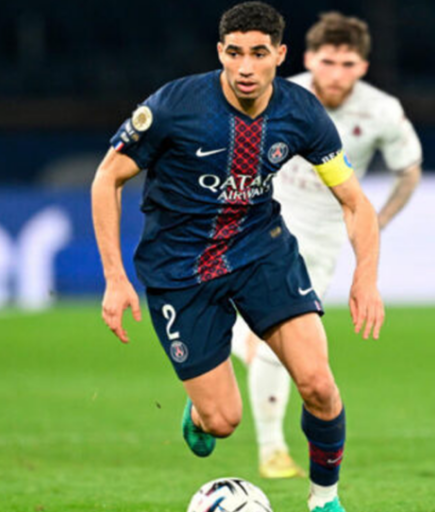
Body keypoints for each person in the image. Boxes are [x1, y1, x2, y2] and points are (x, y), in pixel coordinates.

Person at [91, 3, 384, 510]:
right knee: (223, 422)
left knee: (318, 384)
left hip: (260, 253)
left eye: (258, 54)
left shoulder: (301, 112)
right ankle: (200, 412)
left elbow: (355, 202)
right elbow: (107, 178)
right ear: (220, 52)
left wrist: (366, 278)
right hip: (180, 269)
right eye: (234, 53)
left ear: (281, 55)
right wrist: (115, 278)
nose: (245, 67)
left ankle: (325, 500)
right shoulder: (174, 106)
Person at [230, 12, 424, 479]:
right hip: (259, 225)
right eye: (328, 61)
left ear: (363, 67)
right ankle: (271, 449)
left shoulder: (382, 111)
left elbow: (409, 171)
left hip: (321, 240)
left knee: (273, 345)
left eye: (348, 64)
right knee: (272, 345)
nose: (336, 74)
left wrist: (377, 222)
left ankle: (227, 370)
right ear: (309, 58)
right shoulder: (275, 93)